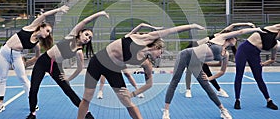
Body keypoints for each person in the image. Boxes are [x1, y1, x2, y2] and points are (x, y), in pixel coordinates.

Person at [77, 23, 205, 119]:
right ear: (156, 46)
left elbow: (149, 84)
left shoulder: (146, 63)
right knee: (87, 98)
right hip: (98, 62)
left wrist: (133, 93)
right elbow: (171, 30)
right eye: (161, 53)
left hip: (113, 69)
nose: (160, 56)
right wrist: (192, 25)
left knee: (128, 103)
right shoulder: (142, 38)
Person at [162, 27, 264, 119]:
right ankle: (166, 112)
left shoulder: (226, 55)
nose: (236, 40)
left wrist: (209, 78)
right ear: (231, 37)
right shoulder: (219, 38)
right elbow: (240, 31)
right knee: (175, 81)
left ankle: (223, 110)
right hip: (185, 55)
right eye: (235, 38)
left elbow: (222, 71)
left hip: (196, 62)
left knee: (207, 86)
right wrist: (256, 30)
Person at [26, 11, 109, 119]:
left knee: (68, 91)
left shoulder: (79, 51)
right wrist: (99, 13)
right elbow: (85, 21)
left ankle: (86, 113)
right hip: (43, 62)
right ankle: (32, 114)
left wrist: (68, 78)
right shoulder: (71, 36)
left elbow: (80, 69)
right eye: (86, 34)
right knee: (34, 88)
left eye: (89, 38)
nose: (87, 38)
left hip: (55, 66)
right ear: (80, 33)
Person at [0, 5, 69, 114]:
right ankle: (0, 104)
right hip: (4, 52)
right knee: (2, 78)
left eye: (49, 33)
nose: (48, 34)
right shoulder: (32, 27)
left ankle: (33, 103)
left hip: (16, 55)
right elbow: (44, 15)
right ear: (42, 27)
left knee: (23, 79)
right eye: (47, 30)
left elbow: (37, 57)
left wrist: (27, 63)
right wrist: (59, 10)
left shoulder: (36, 45)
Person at [184, 22, 255, 98]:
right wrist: (248, 24)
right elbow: (233, 25)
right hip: (193, 48)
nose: (236, 40)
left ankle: (219, 90)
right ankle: (188, 89)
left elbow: (219, 64)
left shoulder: (224, 47)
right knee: (191, 69)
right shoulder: (220, 36)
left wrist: (208, 64)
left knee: (206, 71)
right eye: (235, 38)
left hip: (202, 54)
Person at [96, 23, 163, 99]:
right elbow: (141, 25)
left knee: (127, 74)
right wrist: (153, 27)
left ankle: (137, 90)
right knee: (104, 73)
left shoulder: (142, 45)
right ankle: (100, 91)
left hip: (122, 60)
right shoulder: (129, 37)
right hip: (113, 58)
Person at [234, 24, 280, 110]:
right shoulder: (271, 29)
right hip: (244, 50)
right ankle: (237, 100)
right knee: (239, 75)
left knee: (259, 78)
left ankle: (269, 101)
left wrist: (263, 64)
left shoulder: (275, 45)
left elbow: (272, 59)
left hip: (255, 55)